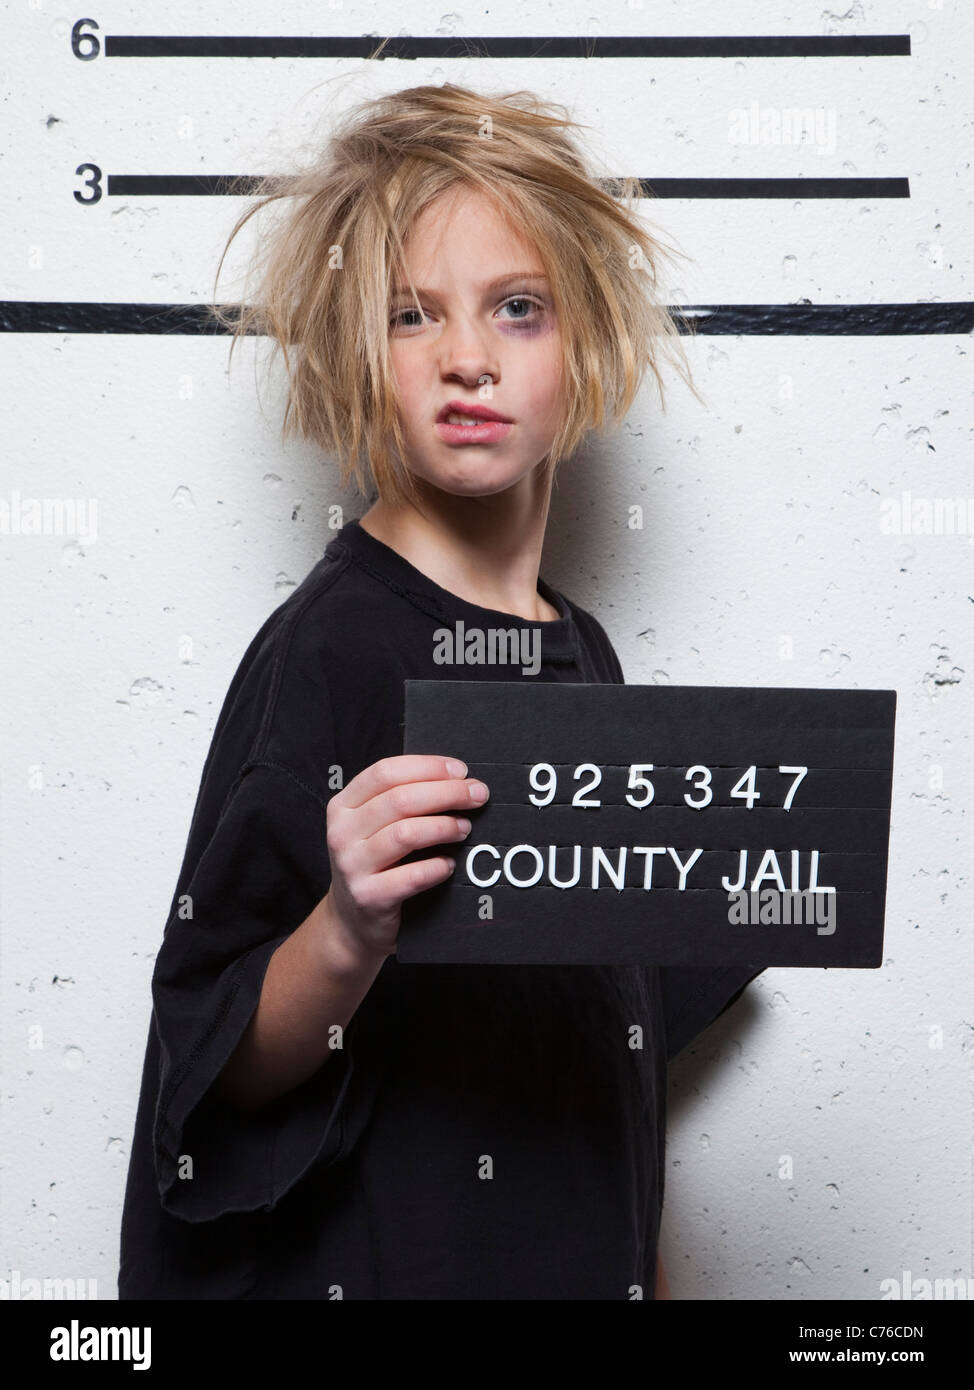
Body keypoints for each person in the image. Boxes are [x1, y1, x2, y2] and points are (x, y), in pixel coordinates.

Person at [118, 83, 760, 1300]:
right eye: (411, 316)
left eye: (518, 309)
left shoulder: (586, 652)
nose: (466, 355)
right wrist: (346, 928)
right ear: (358, 353)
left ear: (587, 340)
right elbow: (217, 1068)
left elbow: (608, 1080)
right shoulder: (332, 650)